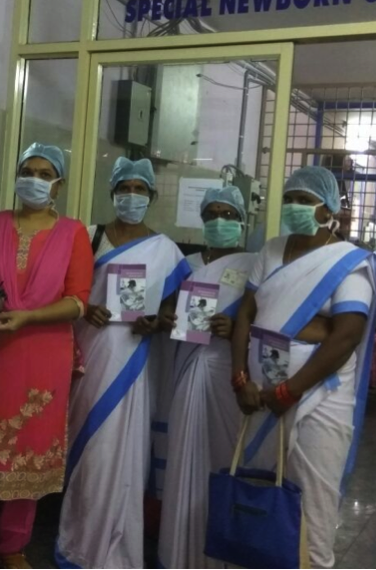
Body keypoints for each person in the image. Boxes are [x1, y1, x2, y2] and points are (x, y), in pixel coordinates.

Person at [0, 143, 93, 570]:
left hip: (42, 357)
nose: (34, 179)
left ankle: (11, 547)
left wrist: (29, 317)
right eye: (27, 170)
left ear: (58, 185)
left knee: (26, 450)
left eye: (45, 173)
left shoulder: (74, 233)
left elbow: (78, 301)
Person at [230, 166, 376, 569]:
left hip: (319, 396)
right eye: (290, 199)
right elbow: (247, 314)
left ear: (328, 209)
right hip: (258, 393)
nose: (295, 207)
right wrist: (239, 377)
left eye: (305, 201)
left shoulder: (347, 262)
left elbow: (345, 335)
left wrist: (289, 391)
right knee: (260, 493)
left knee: (312, 499)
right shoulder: (272, 250)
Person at [57, 157, 192, 569]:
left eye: (139, 189)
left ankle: (117, 549)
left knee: (122, 456)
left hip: (134, 364)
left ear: (151, 196)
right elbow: (67, 291)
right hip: (89, 358)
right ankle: (78, 542)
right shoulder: (89, 237)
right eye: (124, 188)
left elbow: (175, 312)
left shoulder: (166, 250)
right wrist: (87, 308)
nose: (131, 196)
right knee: (87, 453)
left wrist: (157, 321)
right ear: (112, 192)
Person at [158, 186, 257, 570]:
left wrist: (236, 327)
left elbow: (263, 319)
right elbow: (165, 310)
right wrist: (166, 317)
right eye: (213, 214)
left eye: (229, 214)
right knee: (186, 451)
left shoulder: (255, 264)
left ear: (242, 220)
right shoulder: (188, 263)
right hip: (187, 369)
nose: (220, 221)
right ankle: (179, 552)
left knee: (225, 456)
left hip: (227, 374)